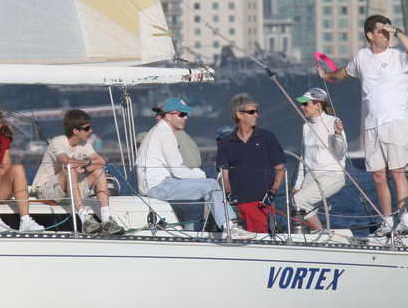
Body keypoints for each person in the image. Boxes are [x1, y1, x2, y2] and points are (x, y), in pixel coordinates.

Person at [319, 14, 408, 236]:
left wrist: (397, 31)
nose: (386, 35)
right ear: (370, 35)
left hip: (395, 122)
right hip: (371, 125)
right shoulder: (362, 57)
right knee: (378, 175)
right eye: (381, 31)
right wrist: (326, 75)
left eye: (388, 31)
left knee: (398, 172)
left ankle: (404, 219)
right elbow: (343, 73)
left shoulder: (398, 56)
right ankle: (386, 221)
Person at [136, 97, 255, 239]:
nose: (185, 118)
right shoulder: (165, 134)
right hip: (158, 187)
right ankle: (230, 227)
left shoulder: (158, 131)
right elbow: (178, 171)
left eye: (186, 114)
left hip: (153, 187)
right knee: (210, 185)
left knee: (194, 205)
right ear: (168, 116)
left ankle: (191, 237)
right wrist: (203, 176)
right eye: (181, 114)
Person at [32, 109, 119, 234]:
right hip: (47, 190)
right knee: (70, 169)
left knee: (99, 171)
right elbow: (65, 160)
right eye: (87, 128)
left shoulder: (84, 144)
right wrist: (87, 163)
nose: (91, 131)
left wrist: (86, 168)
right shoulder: (58, 142)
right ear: (75, 131)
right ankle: (84, 218)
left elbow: (101, 161)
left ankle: (106, 219)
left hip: (71, 188)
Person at [216, 94, 285, 234]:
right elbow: (224, 173)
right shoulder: (225, 142)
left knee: (260, 238)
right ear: (239, 115)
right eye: (252, 112)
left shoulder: (267, 137)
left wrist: (273, 192)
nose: (256, 115)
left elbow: (280, 168)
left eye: (257, 111)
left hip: (261, 203)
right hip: (236, 204)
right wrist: (229, 194)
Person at [292, 88, 347, 231]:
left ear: (318, 104)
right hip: (311, 176)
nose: (302, 107)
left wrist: (337, 134)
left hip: (331, 175)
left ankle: (321, 236)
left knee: (299, 201)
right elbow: (303, 158)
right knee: (297, 204)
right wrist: (297, 184)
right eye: (302, 104)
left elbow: (341, 152)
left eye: (306, 104)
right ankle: (318, 236)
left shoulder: (334, 121)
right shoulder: (306, 126)